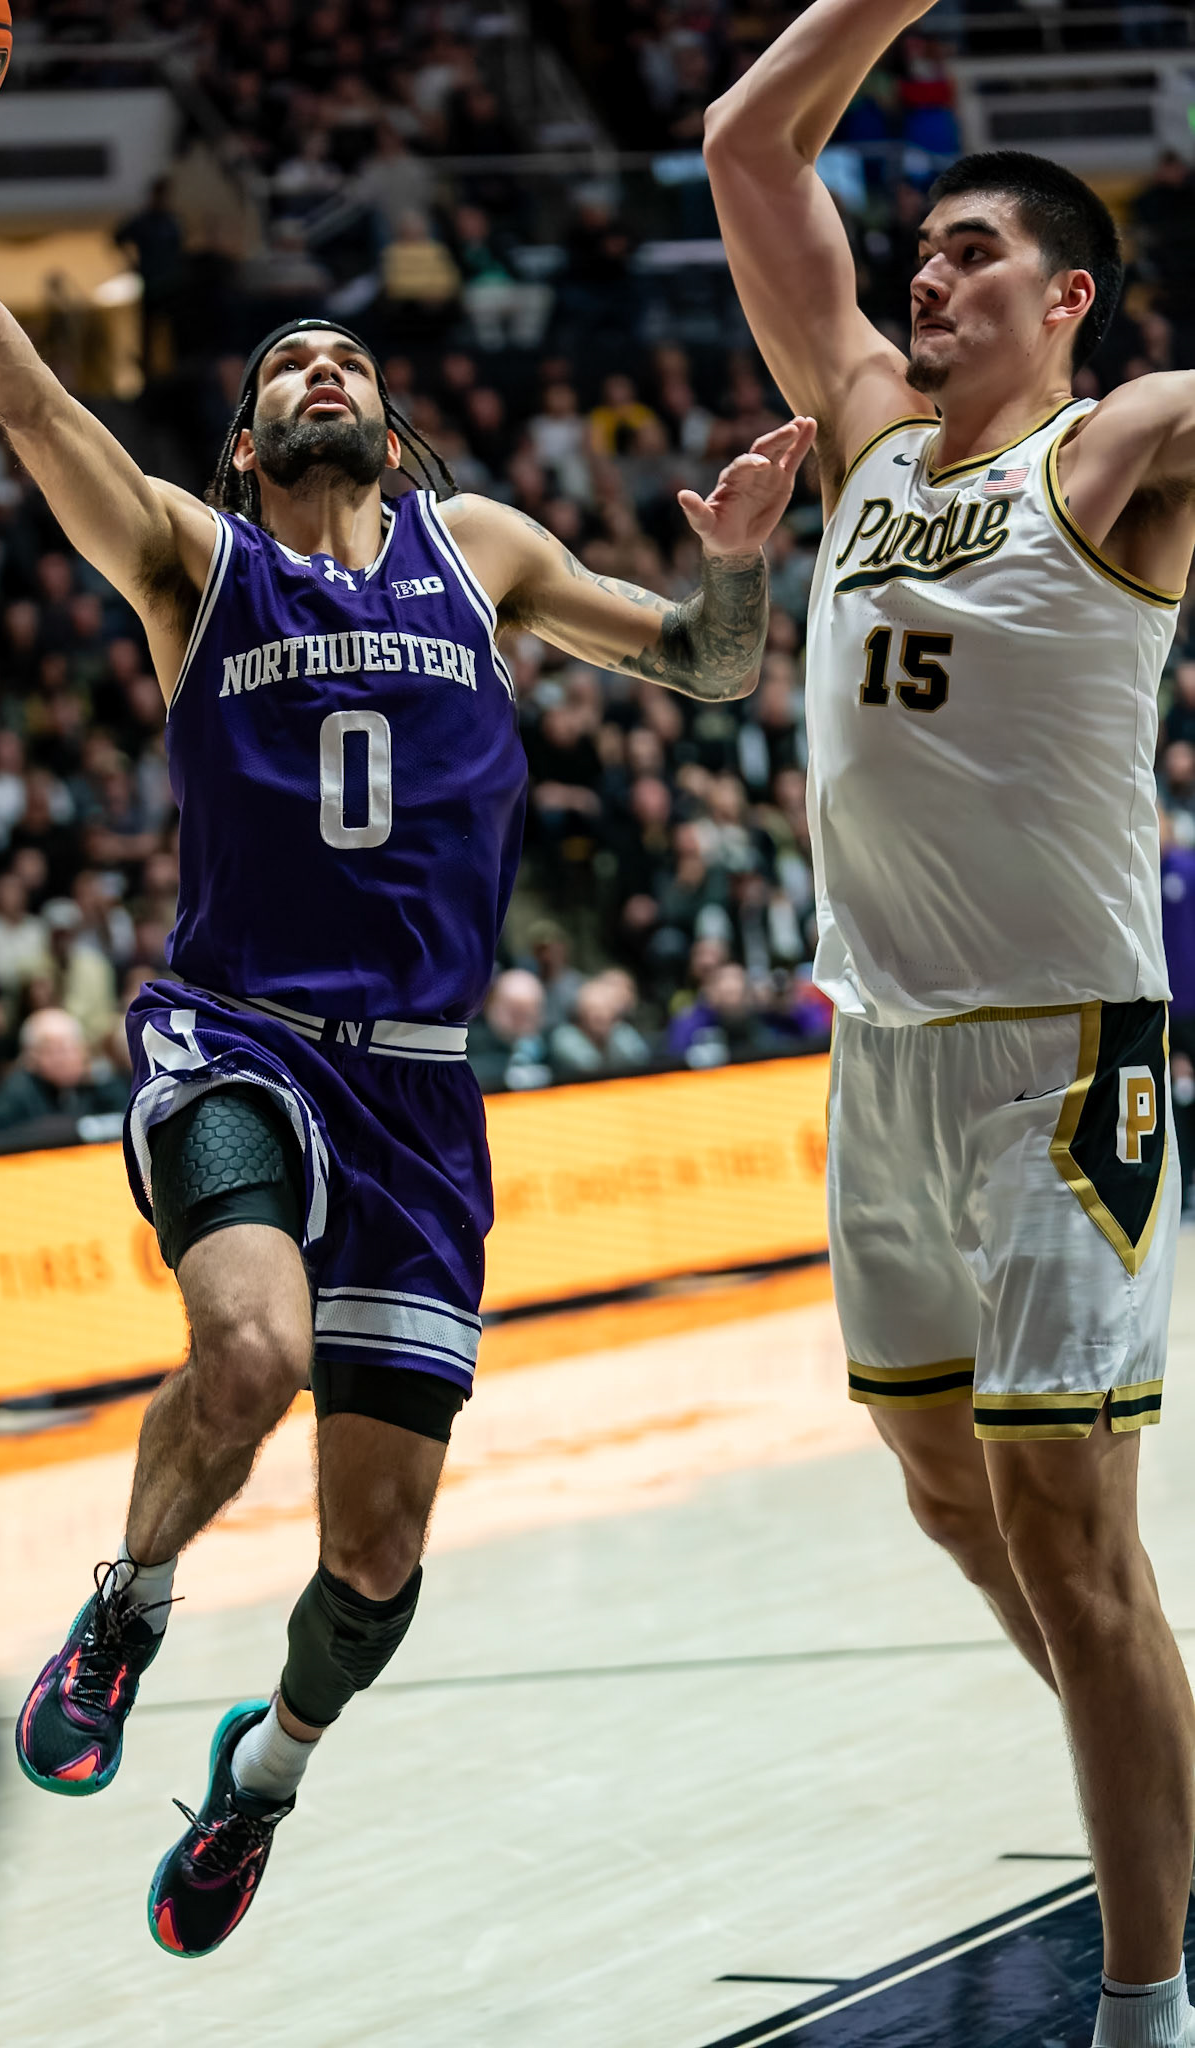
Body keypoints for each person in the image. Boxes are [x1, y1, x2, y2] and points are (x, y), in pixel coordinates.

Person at [0, 23, 817, 1961]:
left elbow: (706, 675)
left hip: (425, 1098)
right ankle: (125, 1601)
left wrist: (733, 574)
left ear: (389, 419)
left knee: (374, 1561)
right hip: (239, 1040)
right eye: (286, 364)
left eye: (342, 357)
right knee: (251, 1349)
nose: (319, 366)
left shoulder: (489, 555)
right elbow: (34, 407)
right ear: (244, 439)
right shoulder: (193, 561)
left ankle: (261, 1773)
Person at [704, 6, 1195, 2042]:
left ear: (1064, 295)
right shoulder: (860, 430)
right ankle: (1158, 1774)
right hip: (878, 1055)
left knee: (1070, 1528)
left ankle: (1148, 2002)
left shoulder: (1125, 446)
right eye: (916, 249)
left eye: (972, 250)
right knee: (942, 1489)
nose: (924, 273)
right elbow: (748, 137)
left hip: (1059, 1059)